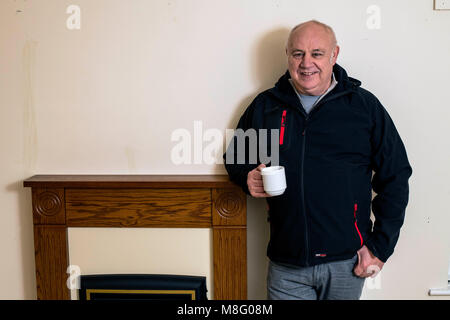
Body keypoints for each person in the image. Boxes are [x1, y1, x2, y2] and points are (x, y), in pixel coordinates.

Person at [223, 20, 412, 300]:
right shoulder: (267, 106)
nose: (306, 63)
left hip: (347, 263)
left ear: (334, 55)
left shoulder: (362, 107)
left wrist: (380, 248)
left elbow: (395, 175)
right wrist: (245, 177)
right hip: (286, 265)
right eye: (297, 53)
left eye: (317, 53)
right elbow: (236, 159)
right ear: (288, 55)